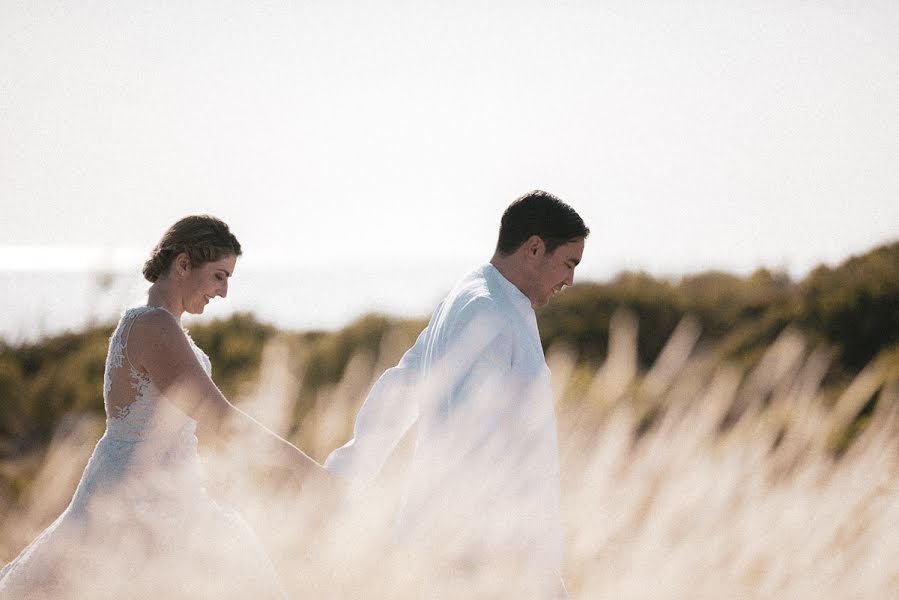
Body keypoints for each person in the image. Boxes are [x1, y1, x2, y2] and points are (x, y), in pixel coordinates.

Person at [0, 215, 325, 599]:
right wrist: (310, 471)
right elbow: (220, 418)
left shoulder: (154, 324)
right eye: (219, 276)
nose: (223, 293)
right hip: (139, 501)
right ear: (183, 264)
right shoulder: (154, 327)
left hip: (161, 492)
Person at [325, 190, 589, 598]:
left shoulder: (472, 294)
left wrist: (344, 471)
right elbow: (475, 448)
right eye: (569, 263)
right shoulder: (491, 311)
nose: (570, 280)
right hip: (477, 556)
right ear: (535, 248)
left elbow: (403, 387)